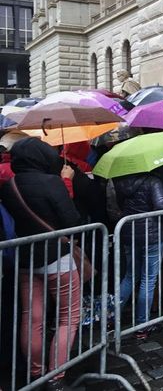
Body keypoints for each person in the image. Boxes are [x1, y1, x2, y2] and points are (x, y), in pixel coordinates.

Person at [0, 138, 81, 390]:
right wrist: (67, 182)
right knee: (69, 316)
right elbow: (72, 220)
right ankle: (56, 375)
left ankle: (36, 373)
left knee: (32, 317)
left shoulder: (9, 185)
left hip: (26, 258)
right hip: (57, 257)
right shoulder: (51, 182)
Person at [114, 170, 163, 339]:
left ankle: (111, 317)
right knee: (148, 279)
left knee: (130, 276)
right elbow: (162, 205)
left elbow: (119, 205)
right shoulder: (153, 181)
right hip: (152, 234)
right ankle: (142, 324)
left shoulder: (120, 181)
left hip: (128, 232)